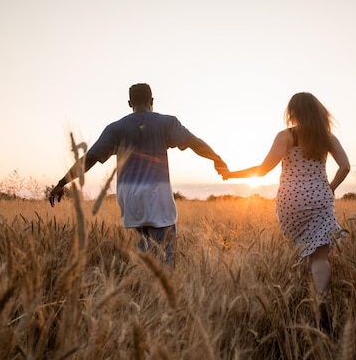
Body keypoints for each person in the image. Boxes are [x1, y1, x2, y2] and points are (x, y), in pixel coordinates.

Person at [48, 83, 228, 269]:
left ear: (129, 103)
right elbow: (193, 142)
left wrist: (62, 183)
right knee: (164, 259)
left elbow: (90, 158)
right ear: (152, 101)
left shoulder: (115, 128)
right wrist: (217, 158)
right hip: (158, 201)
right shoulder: (166, 123)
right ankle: (156, 292)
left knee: (146, 251)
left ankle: (140, 287)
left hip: (131, 202)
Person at [221, 92, 350, 294]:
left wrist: (231, 174)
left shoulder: (287, 136)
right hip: (320, 198)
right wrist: (330, 188)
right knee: (320, 257)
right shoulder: (326, 137)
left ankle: (306, 295)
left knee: (303, 249)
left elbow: (263, 169)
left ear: (293, 112)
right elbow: (345, 167)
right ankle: (320, 300)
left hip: (291, 201)